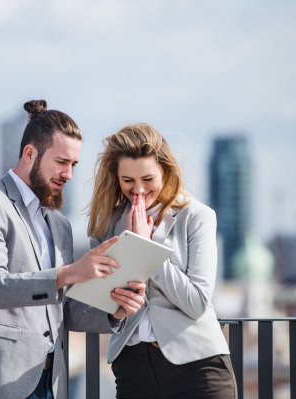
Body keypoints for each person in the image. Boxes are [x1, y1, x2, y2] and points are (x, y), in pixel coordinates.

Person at [0, 100, 146, 399]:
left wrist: (113, 313)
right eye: (62, 162)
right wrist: (70, 273)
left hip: (50, 381)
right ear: (29, 153)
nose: (69, 174)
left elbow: (58, 308)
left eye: (74, 165)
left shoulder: (59, 225)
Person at [88, 123, 237, 399]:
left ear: (165, 171)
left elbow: (196, 302)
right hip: (133, 370)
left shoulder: (197, 217)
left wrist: (146, 249)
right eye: (128, 180)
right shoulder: (105, 227)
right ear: (116, 177)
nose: (139, 190)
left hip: (197, 368)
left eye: (148, 179)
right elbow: (103, 303)